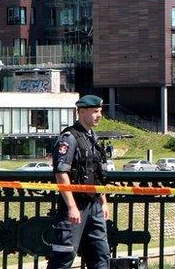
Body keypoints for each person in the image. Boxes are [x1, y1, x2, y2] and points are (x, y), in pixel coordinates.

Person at [48, 94, 110, 269]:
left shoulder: (93, 137)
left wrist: (103, 201)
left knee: (101, 255)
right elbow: (61, 173)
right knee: (64, 254)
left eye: (100, 111)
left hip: (94, 205)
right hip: (76, 204)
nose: (99, 115)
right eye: (95, 112)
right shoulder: (69, 138)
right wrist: (71, 206)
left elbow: (97, 174)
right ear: (81, 112)